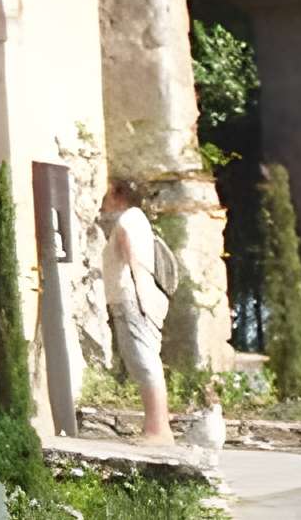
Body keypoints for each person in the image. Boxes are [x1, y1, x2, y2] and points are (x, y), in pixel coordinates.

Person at [100, 176, 174, 443]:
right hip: (134, 298)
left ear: (119, 195)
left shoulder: (128, 220)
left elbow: (132, 256)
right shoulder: (137, 218)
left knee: (144, 361)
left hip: (131, 299)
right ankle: (156, 427)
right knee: (143, 360)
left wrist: (143, 298)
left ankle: (158, 430)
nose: (104, 200)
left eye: (108, 194)